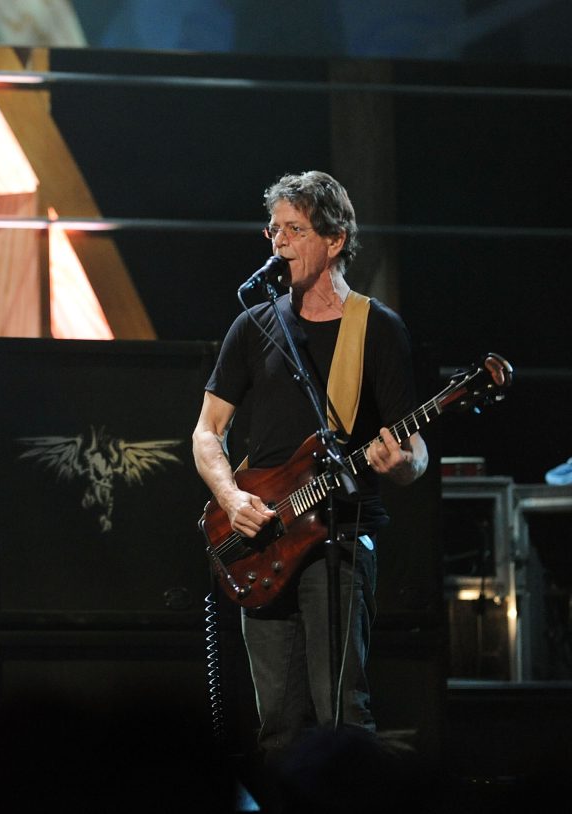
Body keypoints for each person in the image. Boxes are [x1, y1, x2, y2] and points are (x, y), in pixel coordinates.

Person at [191, 172, 428, 770]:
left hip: (339, 538)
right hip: (264, 538)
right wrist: (231, 498)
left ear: (335, 239)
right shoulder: (254, 325)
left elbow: (415, 451)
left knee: (342, 716)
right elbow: (206, 431)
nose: (279, 242)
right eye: (274, 229)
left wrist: (401, 464)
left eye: (295, 230)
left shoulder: (376, 327)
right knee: (277, 727)